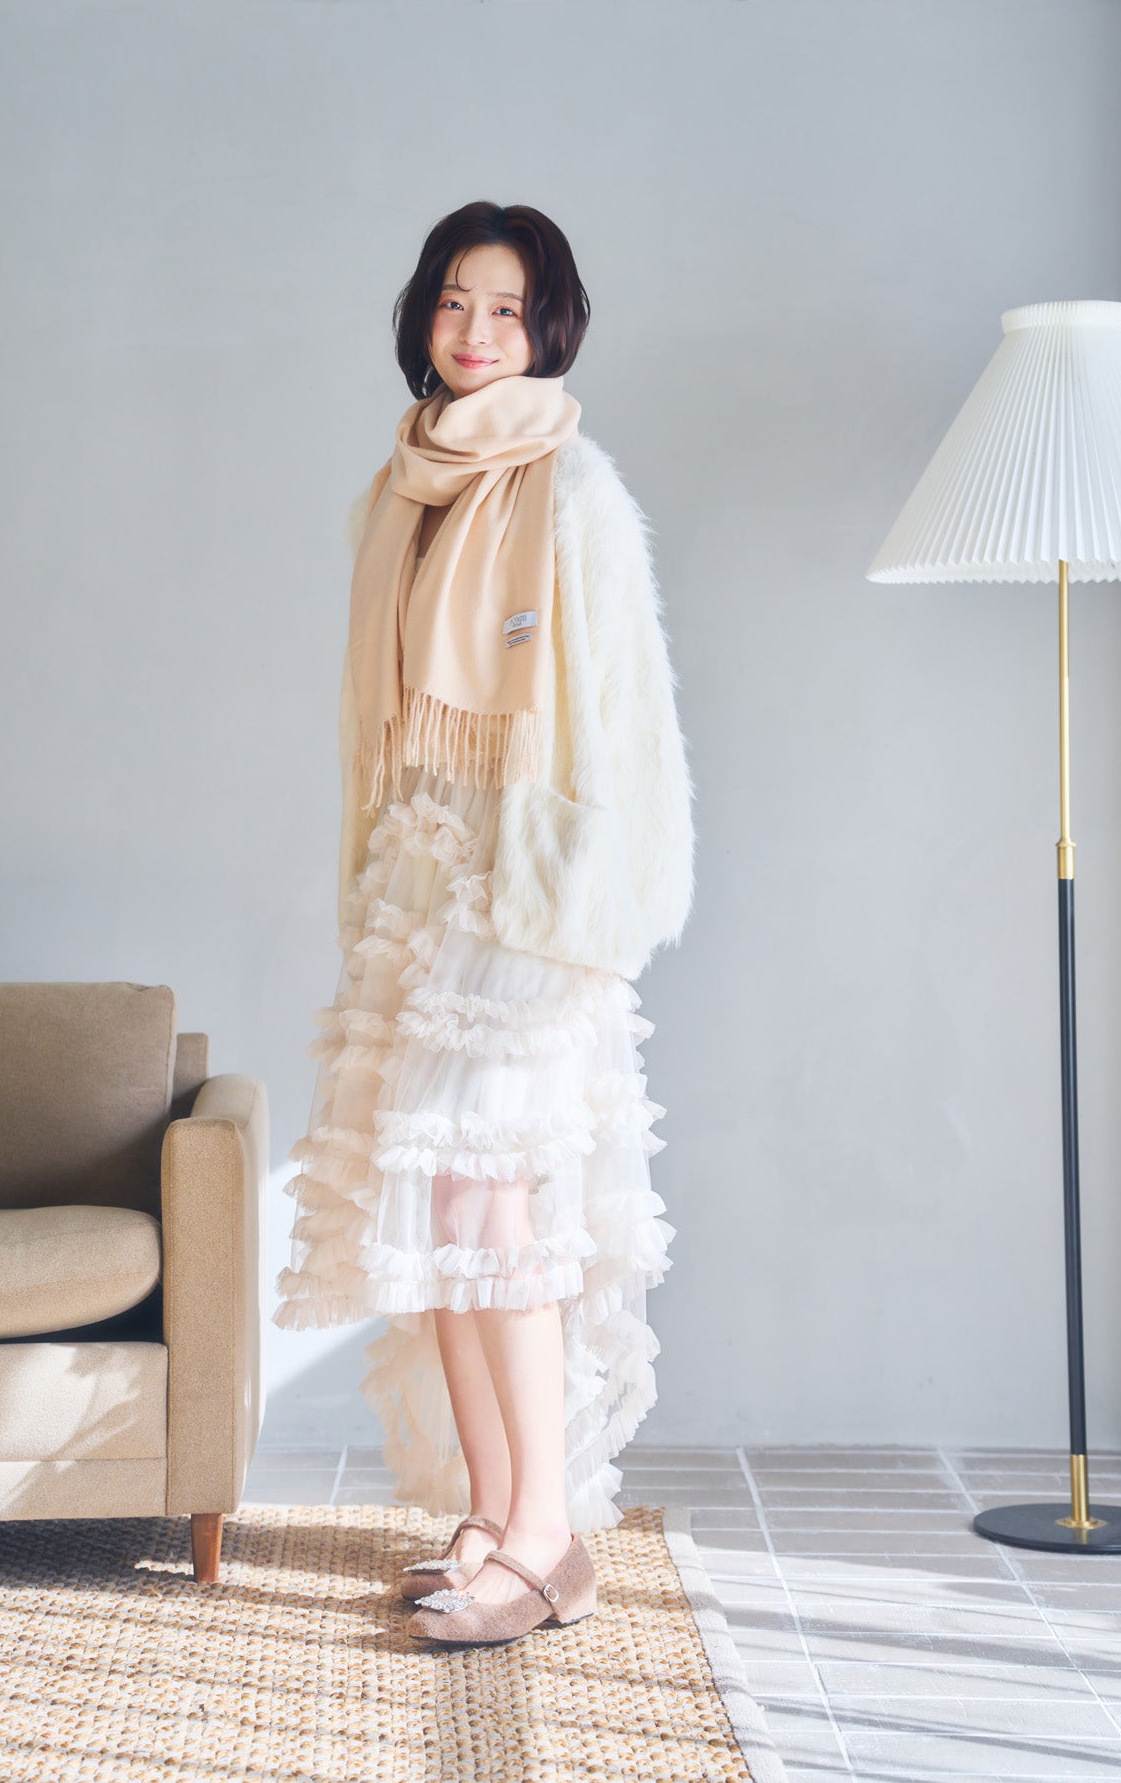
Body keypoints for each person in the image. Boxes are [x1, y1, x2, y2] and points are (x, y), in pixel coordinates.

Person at [274, 200, 695, 1649]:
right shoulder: (402, 491)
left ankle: (548, 1536)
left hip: (525, 898)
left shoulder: (575, 493)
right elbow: (378, 717)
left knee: (487, 1206)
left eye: (505, 309)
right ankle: (492, 1507)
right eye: (455, 302)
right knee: (433, 1208)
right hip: (419, 883)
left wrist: (569, 908)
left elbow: (624, 729)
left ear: (548, 327)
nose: (473, 332)